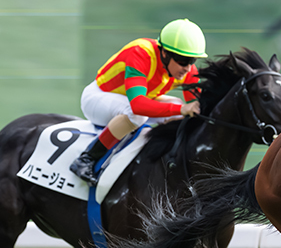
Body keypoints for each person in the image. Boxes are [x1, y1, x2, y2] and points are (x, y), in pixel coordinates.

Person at [70, 18, 207, 186]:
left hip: (130, 101)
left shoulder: (186, 70)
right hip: (98, 98)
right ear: (165, 53)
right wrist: (182, 109)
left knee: (180, 110)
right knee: (139, 115)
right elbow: (138, 105)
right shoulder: (141, 53)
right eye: (183, 60)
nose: (187, 68)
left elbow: (198, 106)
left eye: (192, 61)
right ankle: (87, 159)